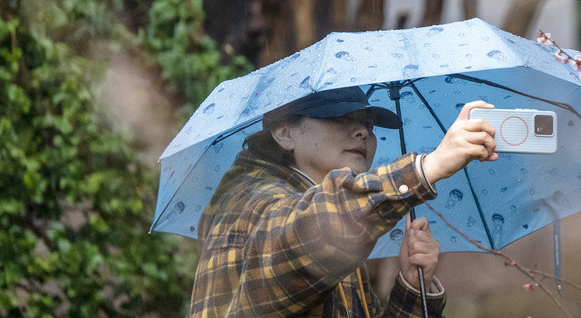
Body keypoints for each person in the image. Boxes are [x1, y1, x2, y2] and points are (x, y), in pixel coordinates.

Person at [188, 87, 497, 317]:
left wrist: (413, 287)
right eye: (339, 118)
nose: (362, 131)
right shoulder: (249, 204)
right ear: (284, 133)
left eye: (368, 125)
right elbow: (299, 240)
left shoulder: (334, 225)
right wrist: (425, 168)